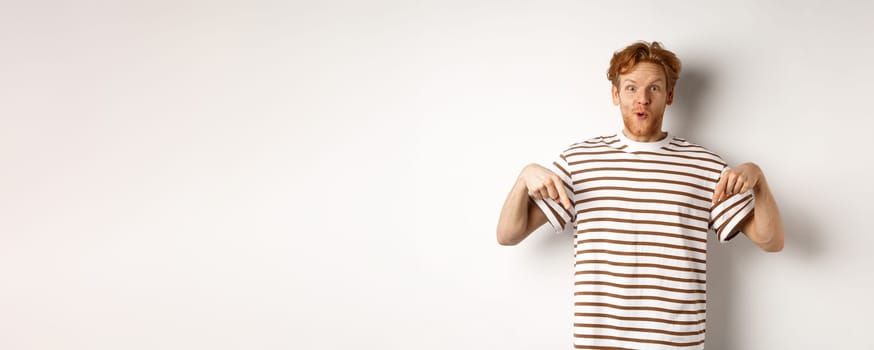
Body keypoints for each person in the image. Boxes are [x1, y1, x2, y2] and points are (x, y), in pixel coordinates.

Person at [496, 41, 784, 349]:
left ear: (669, 95)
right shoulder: (580, 162)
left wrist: (759, 181)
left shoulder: (705, 166)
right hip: (601, 342)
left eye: (654, 89)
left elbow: (771, 241)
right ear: (615, 94)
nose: (642, 99)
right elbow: (508, 234)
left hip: (675, 342)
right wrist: (524, 176)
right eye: (631, 88)